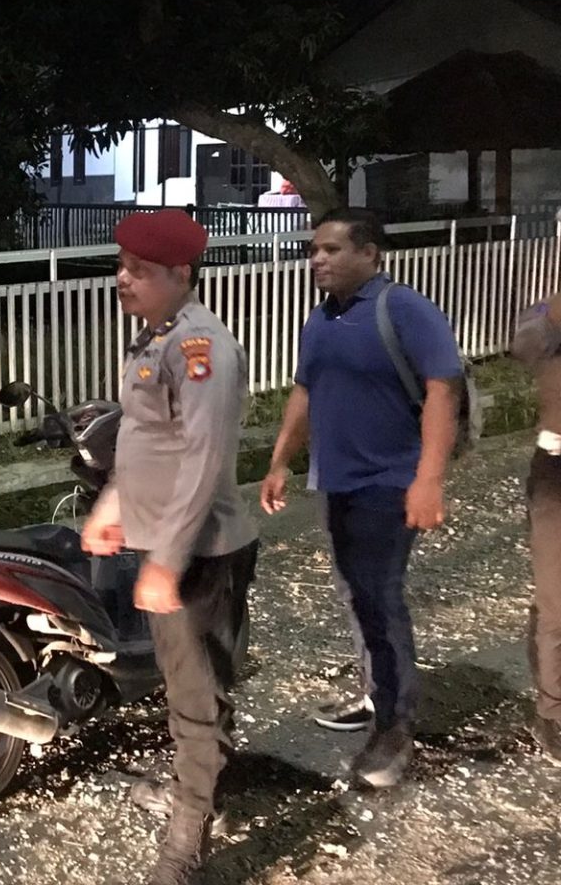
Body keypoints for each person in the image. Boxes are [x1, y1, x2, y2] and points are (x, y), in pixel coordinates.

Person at [80, 209, 257, 885]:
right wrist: (113, 505)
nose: (122, 278)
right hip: (165, 545)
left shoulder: (201, 348)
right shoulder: (154, 339)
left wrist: (166, 560)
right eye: (121, 266)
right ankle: (203, 789)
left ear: (181, 274)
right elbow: (144, 440)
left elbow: (203, 460)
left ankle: (185, 849)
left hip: (199, 552)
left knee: (194, 697)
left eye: (139, 270)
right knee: (194, 684)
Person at [260, 208, 462, 788]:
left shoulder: (403, 309)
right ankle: (380, 695)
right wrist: (280, 462)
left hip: (389, 482)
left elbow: (443, 391)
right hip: (338, 482)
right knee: (356, 594)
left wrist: (429, 480)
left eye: (331, 249)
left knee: (378, 597)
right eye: (313, 250)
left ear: (370, 253)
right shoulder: (320, 319)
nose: (317, 259)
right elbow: (305, 392)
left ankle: (395, 727)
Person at [512, 286, 561, 763]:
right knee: (556, 600)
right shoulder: (548, 312)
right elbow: (525, 344)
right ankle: (552, 710)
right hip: (556, 468)